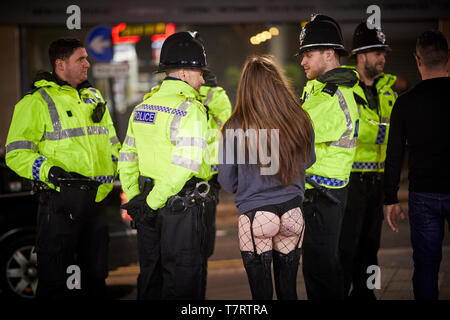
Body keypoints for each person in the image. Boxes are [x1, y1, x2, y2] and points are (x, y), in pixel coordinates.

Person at [5, 38, 120, 299]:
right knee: (58, 283)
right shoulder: (36, 102)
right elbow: (16, 153)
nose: (87, 64)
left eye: (87, 58)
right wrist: (49, 171)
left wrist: (127, 172)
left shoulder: (93, 96)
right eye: (81, 59)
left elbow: (113, 144)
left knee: (95, 280)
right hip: (60, 207)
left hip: (96, 204)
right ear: (60, 64)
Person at [118, 31, 211, 300]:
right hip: (178, 209)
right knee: (182, 282)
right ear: (183, 73)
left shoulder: (143, 107)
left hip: (146, 207)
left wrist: (138, 201)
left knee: (150, 278)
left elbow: (127, 159)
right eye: (199, 72)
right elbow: (185, 165)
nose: (202, 79)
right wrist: (152, 203)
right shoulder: (190, 109)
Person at [218, 55, 315, 300]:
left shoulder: (235, 127)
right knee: (289, 291)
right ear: (278, 84)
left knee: (260, 297)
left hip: (255, 216)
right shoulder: (299, 119)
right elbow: (309, 160)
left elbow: (228, 182)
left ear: (245, 87)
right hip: (293, 212)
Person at [384, 30, 450, 300]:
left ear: (417, 61)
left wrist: (390, 198)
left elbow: (394, 154)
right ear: (448, 59)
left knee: (425, 266)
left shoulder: (405, 103)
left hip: (422, 195)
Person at [298, 14, 360, 300]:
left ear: (329, 53)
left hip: (323, 196)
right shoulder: (320, 91)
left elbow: (293, 133)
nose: (302, 62)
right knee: (319, 268)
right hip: (321, 195)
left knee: (321, 271)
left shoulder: (332, 96)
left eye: (308, 55)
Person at [339, 22, 398, 300]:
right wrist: (383, 131)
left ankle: (365, 296)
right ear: (361, 55)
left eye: (383, 53)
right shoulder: (346, 90)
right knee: (346, 247)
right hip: (351, 180)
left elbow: (395, 138)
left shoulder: (389, 93)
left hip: (377, 180)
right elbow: (353, 130)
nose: (383, 58)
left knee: (371, 247)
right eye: (378, 53)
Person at [198, 71, 232, 298]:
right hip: (206, 177)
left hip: (203, 177)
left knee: (198, 248)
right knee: (200, 247)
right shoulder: (218, 96)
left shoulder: (215, 96)